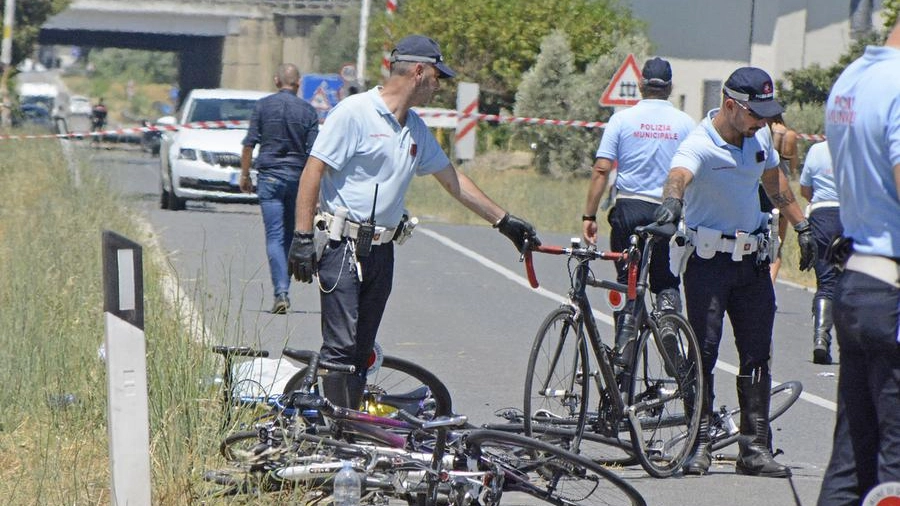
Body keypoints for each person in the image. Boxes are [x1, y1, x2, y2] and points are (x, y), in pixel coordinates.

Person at [287, 35, 538, 408]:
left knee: (361, 350)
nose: (439, 86)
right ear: (418, 71)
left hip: (381, 251)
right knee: (339, 349)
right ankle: (336, 435)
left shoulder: (415, 127)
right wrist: (302, 236)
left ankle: (351, 430)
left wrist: (504, 222)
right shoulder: (355, 112)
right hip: (342, 249)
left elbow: (453, 181)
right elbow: (314, 170)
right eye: (438, 77)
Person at [653, 67, 816, 478]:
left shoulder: (758, 136)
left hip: (753, 263)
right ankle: (699, 444)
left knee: (758, 353)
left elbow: (774, 180)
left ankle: (754, 449)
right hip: (709, 263)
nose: (764, 122)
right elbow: (678, 176)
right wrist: (672, 204)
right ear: (730, 105)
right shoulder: (699, 143)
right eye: (756, 113)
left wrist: (802, 225)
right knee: (703, 354)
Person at [817, 19, 900, 506]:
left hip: (859, 278)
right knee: (894, 466)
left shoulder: (852, 78)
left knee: (852, 459)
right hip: (891, 287)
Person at [582, 56, 695, 351]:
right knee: (663, 277)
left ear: (642, 84)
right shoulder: (685, 123)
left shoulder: (621, 119)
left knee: (626, 279)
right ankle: (669, 320)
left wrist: (589, 214)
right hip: (665, 210)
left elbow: (601, 169)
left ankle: (625, 339)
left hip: (628, 209)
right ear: (670, 87)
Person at [240, 63, 320, 314]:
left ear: (277, 81)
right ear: (298, 84)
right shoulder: (308, 111)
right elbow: (315, 154)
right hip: (299, 180)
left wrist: (244, 174)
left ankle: (281, 291)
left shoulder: (263, 106)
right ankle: (285, 287)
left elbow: (249, 144)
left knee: (275, 236)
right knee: (292, 234)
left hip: (270, 178)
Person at [798, 141, 842, 365]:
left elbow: (805, 189)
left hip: (822, 215)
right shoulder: (861, 146)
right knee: (853, 280)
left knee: (826, 282)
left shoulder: (816, 150)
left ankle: (821, 338)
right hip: (851, 213)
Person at [759, 114, 799, 284]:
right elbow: (793, 166)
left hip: (758, 189)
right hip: (779, 193)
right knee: (777, 244)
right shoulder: (789, 135)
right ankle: (770, 284)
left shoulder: (758, 133)